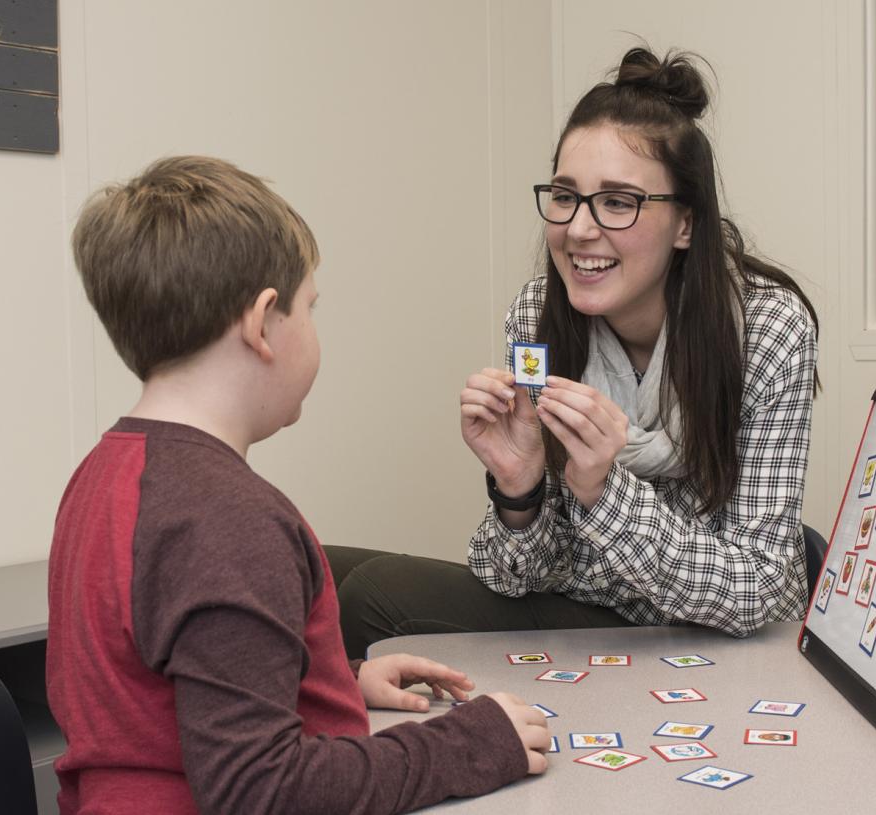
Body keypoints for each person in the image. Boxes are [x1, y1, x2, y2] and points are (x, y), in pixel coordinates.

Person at [46, 156, 548, 815]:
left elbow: (159, 690)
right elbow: (261, 790)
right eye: (310, 307)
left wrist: (325, 680)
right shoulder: (227, 520)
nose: (314, 327)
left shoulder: (103, 474)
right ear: (262, 323)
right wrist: (466, 744)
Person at [334, 46, 818, 658]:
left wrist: (602, 491)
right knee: (317, 571)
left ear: (686, 224)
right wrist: (519, 491)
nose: (580, 229)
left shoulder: (768, 329)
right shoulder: (536, 316)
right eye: (565, 196)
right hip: (584, 610)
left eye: (618, 202)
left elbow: (763, 590)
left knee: (371, 595)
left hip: (706, 639)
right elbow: (523, 574)